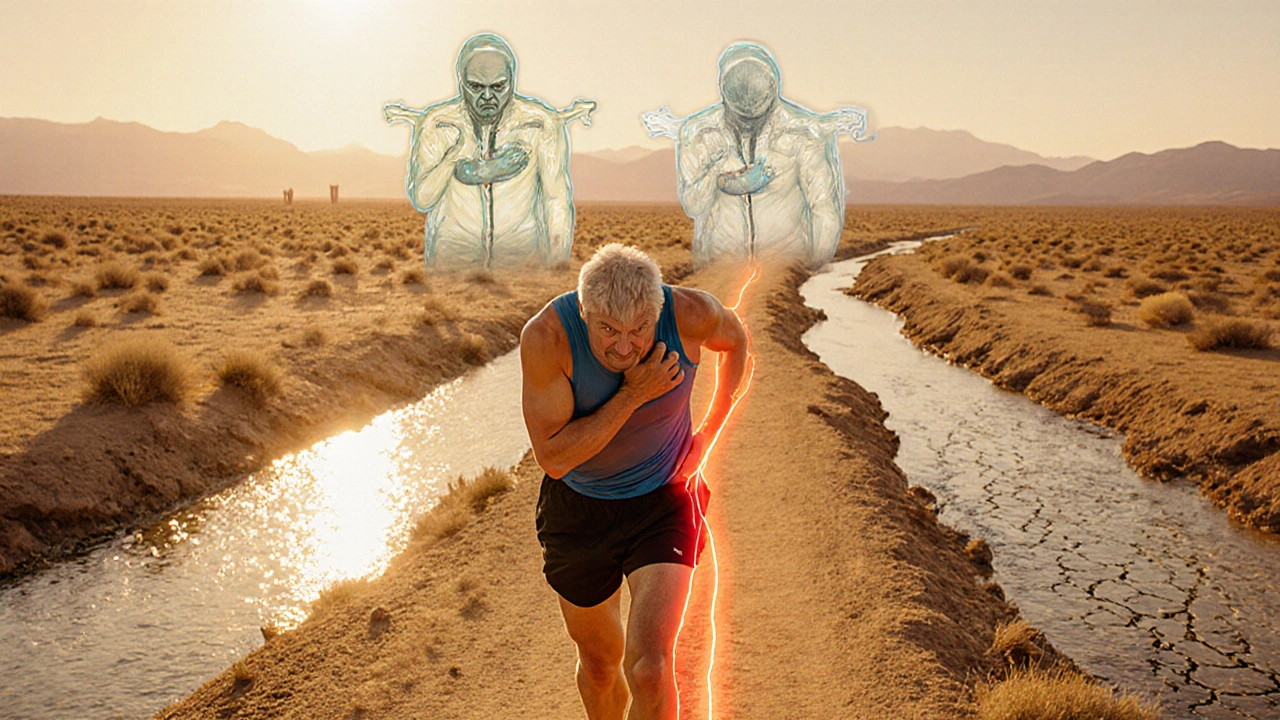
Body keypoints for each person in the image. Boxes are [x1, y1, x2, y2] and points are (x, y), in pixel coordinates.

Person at [520, 244, 749, 720]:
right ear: (584, 312)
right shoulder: (547, 337)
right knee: (602, 667)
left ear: (658, 310)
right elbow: (554, 457)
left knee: (647, 668)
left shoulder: (690, 314)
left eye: (639, 330)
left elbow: (738, 341)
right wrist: (633, 394)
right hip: (579, 508)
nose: (624, 347)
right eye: (607, 331)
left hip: (664, 502)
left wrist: (707, 434)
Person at [643, 42, 871, 270]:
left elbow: (823, 207)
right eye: (743, 117)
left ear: (773, 88)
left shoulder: (805, 133)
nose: (750, 121)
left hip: (784, 266)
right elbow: (692, 205)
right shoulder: (699, 132)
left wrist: (810, 264)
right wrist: (717, 178)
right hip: (719, 266)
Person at [385, 33, 592, 268]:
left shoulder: (541, 123)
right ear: (460, 81)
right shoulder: (437, 123)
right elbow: (422, 198)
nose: (486, 96)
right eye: (475, 86)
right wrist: (454, 160)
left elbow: (556, 199)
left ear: (512, 81)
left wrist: (557, 264)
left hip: (521, 262)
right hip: (452, 263)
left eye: (498, 86)